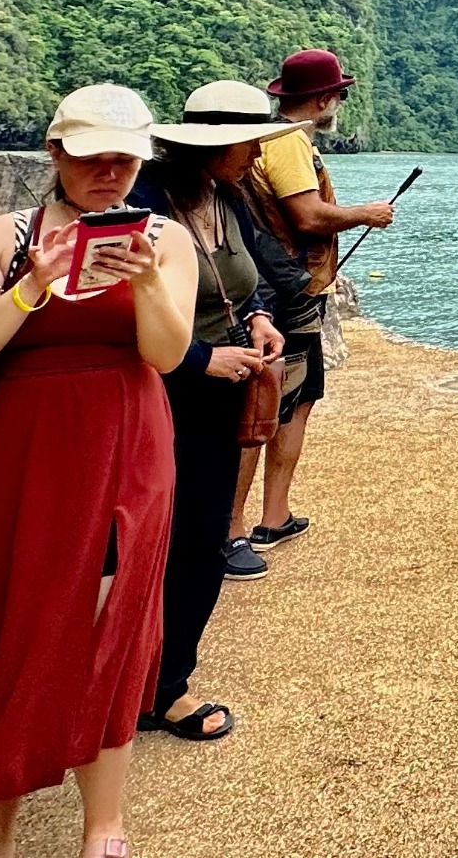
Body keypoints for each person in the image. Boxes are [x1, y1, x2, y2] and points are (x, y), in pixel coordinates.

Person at [0, 83, 196, 858]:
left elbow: (167, 354)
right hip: (16, 449)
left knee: (112, 626)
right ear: (56, 155)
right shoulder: (2, 236)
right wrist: (33, 284)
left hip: (126, 441)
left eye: (125, 159)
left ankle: (103, 824)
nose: (109, 173)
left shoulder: (167, 240)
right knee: (3, 626)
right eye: (91, 158)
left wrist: (145, 280)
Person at [127, 82, 299, 741]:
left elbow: (259, 280)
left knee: (199, 540)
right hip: (154, 389)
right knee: (135, 540)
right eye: (249, 140)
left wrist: (260, 318)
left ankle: (166, 684)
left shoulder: (229, 199)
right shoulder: (144, 202)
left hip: (219, 391)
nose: (257, 153)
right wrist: (201, 358)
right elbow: (128, 307)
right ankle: (118, 673)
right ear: (214, 144)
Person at [229, 47, 393, 574]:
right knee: (268, 408)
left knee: (294, 402)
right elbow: (306, 215)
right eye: (338, 94)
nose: (339, 102)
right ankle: (234, 529)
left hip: (284, 290)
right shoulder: (288, 144)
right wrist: (366, 213)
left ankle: (273, 516)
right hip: (285, 297)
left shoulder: (272, 141)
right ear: (323, 99)